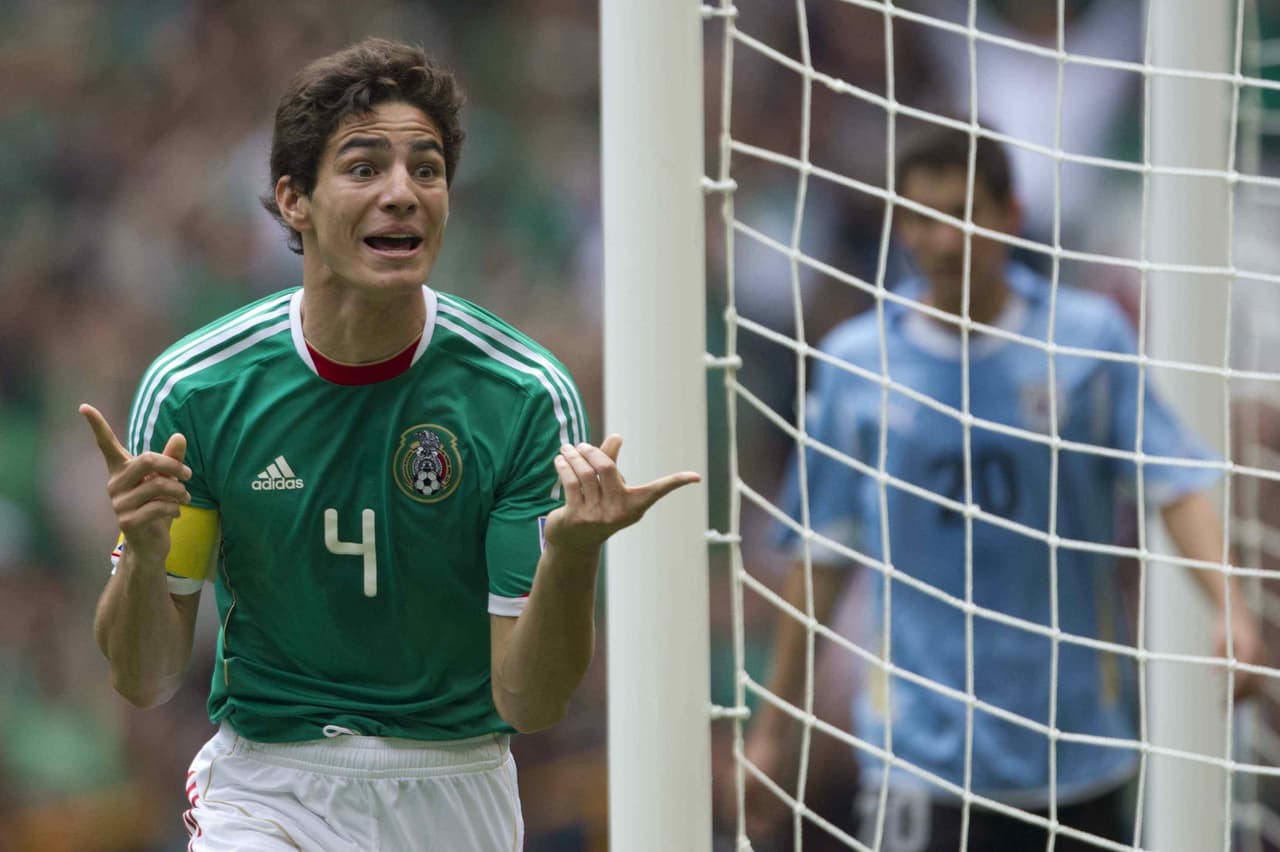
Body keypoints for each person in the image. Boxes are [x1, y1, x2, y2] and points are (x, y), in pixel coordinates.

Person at [80, 38, 698, 851]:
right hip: (271, 783)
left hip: (457, 785)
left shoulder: (521, 395)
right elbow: (145, 677)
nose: (403, 194)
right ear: (293, 199)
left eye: (428, 169)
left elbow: (530, 704)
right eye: (365, 168)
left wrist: (573, 557)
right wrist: (150, 549)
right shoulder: (197, 392)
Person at [743, 123, 1263, 851]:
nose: (944, 240)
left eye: (962, 212)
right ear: (899, 225)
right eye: (922, 217)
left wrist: (1229, 606)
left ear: (1009, 215)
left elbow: (1170, 478)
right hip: (918, 759)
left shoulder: (1084, 342)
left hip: (1074, 749)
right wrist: (774, 731)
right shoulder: (857, 364)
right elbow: (820, 559)